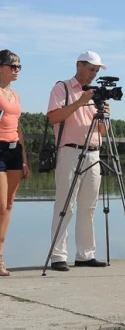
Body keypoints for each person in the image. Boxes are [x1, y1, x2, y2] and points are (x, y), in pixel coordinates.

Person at [47, 51, 109, 272]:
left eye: (96, 70)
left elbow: (102, 131)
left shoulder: (98, 94)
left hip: (94, 152)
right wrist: (81, 102)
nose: (94, 74)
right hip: (70, 152)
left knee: (88, 207)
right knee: (65, 205)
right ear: (79, 65)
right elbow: (53, 117)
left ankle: (85, 255)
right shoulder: (62, 88)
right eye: (91, 69)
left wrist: (104, 115)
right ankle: (57, 256)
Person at [0, 50, 29, 276]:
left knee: (9, 205)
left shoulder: (15, 95)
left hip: (14, 151)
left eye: (19, 66)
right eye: (13, 66)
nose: (17, 70)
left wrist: (25, 158)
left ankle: (0, 257)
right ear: (1, 67)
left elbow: (18, 127)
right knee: (0, 205)